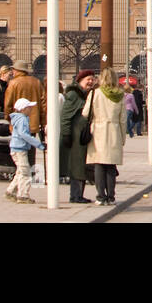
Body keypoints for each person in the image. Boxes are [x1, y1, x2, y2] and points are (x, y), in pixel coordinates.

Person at [82, 68, 127, 206]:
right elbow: (123, 119)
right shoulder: (120, 95)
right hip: (114, 130)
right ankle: (111, 196)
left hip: (98, 131)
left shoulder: (95, 93)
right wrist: (122, 137)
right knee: (111, 166)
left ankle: (101, 196)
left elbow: (85, 113)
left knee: (99, 165)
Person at [60, 70, 95, 204]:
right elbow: (66, 116)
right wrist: (66, 134)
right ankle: (75, 195)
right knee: (77, 166)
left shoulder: (87, 94)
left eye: (92, 79)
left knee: (82, 165)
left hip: (82, 134)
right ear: (80, 81)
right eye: (88, 79)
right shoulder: (74, 95)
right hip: (75, 136)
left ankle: (79, 194)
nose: (90, 82)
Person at [4, 98, 45, 204]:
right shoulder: (22, 119)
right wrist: (38, 144)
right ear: (23, 109)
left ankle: (10, 191)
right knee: (25, 172)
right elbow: (24, 134)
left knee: (20, 171)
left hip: (16, 148)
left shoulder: (19, 118)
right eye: (29, 107)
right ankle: (23, 195)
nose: (31, 109)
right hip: (20, 149)